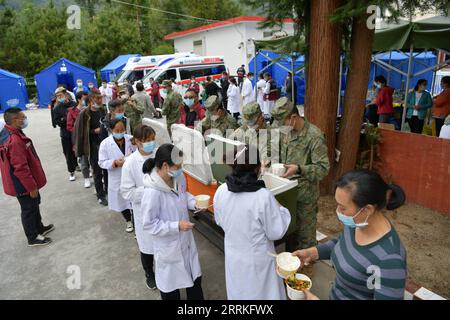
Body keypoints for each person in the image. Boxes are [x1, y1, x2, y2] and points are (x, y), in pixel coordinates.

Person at [292, 169, 407, 300]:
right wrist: (312, 253)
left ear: (367, 209)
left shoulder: (390, 260)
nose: (337, 211)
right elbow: (342, 243)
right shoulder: (357, 223)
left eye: (343, 208)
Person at [214, 144, 290, 300]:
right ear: (257, 168)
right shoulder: (262, 196)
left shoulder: (221, 191)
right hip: (257, 260)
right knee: (262, 295)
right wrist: (282, 209)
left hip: (234, 255)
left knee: (239, 293)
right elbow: (276, 231)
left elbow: (220, 220)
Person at [141, 144, 204, 300]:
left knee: (195, 281)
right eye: (178, 166)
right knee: (170, 289)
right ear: (164, 165)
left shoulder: (177, 177)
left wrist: (194, 203)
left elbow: (183, 195)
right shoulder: (152, 192)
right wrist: (176, 226)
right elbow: (149, 224)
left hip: (186, 241)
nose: (180, 169)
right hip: (169, 247)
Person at [0, 108, 54, 246]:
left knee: (34, 205)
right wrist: (31, 187)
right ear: (15, 120)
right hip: (23, 183)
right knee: (28, 209)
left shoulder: (13, 132)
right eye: (22, 117)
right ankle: (32, 236)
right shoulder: (15, 141)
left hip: (27, 180)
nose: (25, 119)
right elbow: (21, 168)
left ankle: (39, 227)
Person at [281, 106, 330, 254]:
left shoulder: (314, 136)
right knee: (290, 232)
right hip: (288, 191)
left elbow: (323, 169)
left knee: (306, 237)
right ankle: (292, 265)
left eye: (283, 122)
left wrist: (299, 168)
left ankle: (308, 269)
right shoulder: (287, 132)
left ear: (293, 118)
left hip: (305, 196)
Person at [121, 124, 158, 290]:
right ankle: (149, 273)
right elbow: (127, 193)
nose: (151, 143)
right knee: (147, 247)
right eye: (147, 140)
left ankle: (165, 271)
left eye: (153, 140)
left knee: (163, 244)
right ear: (137, 141)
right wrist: (150, 189)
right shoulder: (130, 163)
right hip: (143, 211)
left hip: (162, 208)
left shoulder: (159, 155)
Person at [99, 119, 135, 232]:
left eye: (122, 130)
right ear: (111, 130)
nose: (120, 132)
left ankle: (136, 221)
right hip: (117, 176)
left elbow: (138, 152)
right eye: (117, 130)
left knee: (134, 200)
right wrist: (114, 163)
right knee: (122, 201)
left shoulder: (131, 139)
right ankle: (128, 221)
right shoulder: (105, 144)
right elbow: (101, 162)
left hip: (132, 175)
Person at [74, 89, 108, 206]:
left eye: (100, 98)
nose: (100, 101)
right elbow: (81, 133)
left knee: (107, 170)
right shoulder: (84, 114)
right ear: (90, 101)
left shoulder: (103, 110)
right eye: (97, 99)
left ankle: (108, 190)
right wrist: (95, 131)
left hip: (105, 144)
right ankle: (100, 195)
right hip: (93, 146)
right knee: (97, 171)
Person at [53, 87, 78, 181]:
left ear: (66, 95)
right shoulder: (56, 108)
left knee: (79, 150)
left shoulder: (74, 104)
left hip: (76, 132)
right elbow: (58, 122)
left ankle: (81, 167)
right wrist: (66, 118)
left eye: (61, 95)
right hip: (65, 134)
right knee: (68, 153)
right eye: (58, 96)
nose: (59, 97)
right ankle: (71, 171)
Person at [67, 91, 91, 188]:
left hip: (91, 137)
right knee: (83, 160)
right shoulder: (72, 111)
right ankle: (86, 178)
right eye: (84, 99)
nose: (86, 101)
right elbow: (69, 126)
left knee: (94, 159)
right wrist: (79, 131)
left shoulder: (89, 110)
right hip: (80, 139)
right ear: (79, 100)